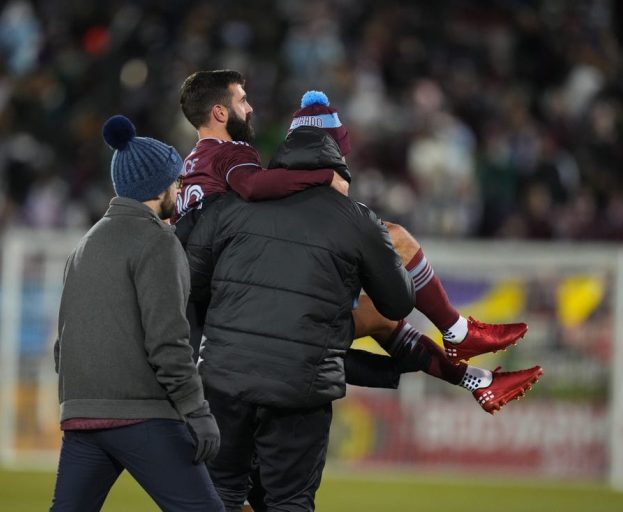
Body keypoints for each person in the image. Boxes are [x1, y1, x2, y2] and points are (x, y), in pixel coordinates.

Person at [175, 70, 536, 412]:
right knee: (395, 240)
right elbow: (254, 187)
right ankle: (458, 332)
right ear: (219, 112)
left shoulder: (193, 165)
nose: (250, 108)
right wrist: (322, 177)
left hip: (223, 316)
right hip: (245, 305)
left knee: (377, 318)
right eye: (242, 100)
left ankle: (477, 379)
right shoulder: (232, 155)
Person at [185, 137, 417, 510]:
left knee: (219, 494)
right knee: (290, 500)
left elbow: (192, 281)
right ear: (335, 174)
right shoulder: (356, 220)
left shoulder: (234, 206)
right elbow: (398, 302)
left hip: (225, 379)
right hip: (300, 387)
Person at [50, 115, 224, 512]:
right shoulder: (158, 242)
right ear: (157, 186)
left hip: (81, 416)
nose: (180, 188)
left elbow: (63, 346)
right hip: (140, 415)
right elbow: (167, 343)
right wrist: (196, 410)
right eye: (176, 181)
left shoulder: (84, 246)